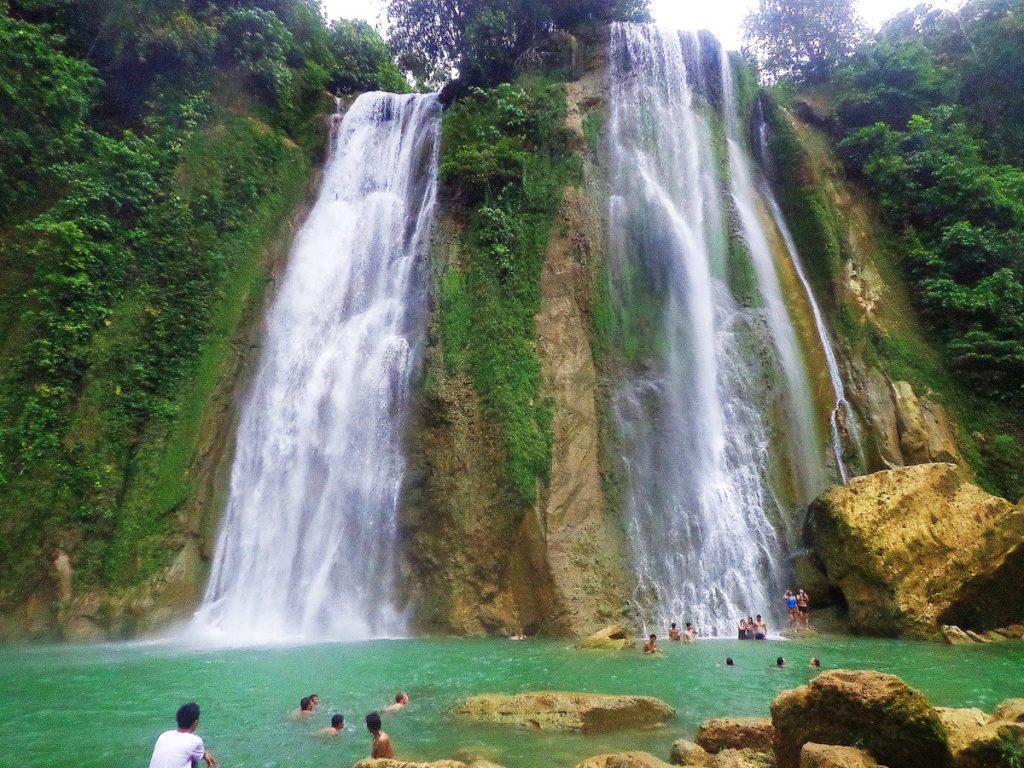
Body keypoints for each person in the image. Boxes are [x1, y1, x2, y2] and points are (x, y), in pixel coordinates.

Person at [149, 702, 217, 768]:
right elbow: (205, 757)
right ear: (195, 722)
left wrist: (204, 754)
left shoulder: (164, 735)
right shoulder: (195, 740)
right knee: (193, 759)